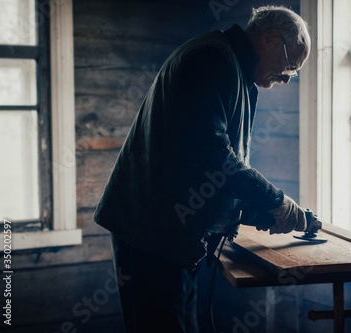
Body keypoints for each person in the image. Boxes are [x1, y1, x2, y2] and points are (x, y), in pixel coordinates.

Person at [94, 5, 311, 333]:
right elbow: (213, 156)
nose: (286, 77)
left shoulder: (234, 67)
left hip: (174, 234)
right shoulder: (212, 59)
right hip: (152, 232)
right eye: (290, 66)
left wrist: (263, 211)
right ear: (270, 39)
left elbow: (215, 169)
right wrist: (277, 202)